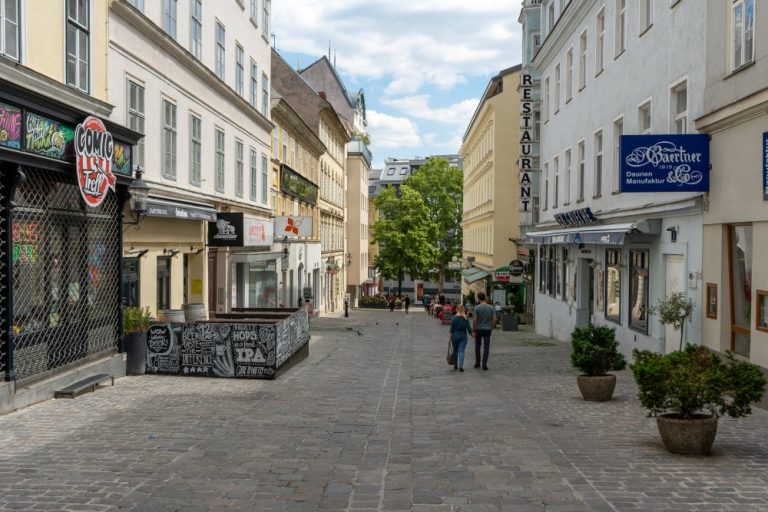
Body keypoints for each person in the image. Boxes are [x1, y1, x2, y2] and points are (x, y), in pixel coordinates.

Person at [472, 292, 496, 370]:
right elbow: (495, 319)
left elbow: (475, 320)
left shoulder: (477, 307)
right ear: (485, 298)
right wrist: (491, 327)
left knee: (477, 347)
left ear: (478, 298)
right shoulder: (491, 307)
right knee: (486, 347)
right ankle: (484, 364)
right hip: (487, 329)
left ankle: (477, 363)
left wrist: (474, 329)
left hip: (478, 329)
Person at [449, 304, 472, 372]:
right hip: (463, 337)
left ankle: (455, 365)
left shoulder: (454, 318)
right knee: (461, 351)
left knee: (455, 351)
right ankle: (460, 366)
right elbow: (469, 329)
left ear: (457, 309)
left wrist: (449, 339)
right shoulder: (466, 318)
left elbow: (451, 330)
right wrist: (473, 335)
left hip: (455, 336)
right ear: (463, 309)